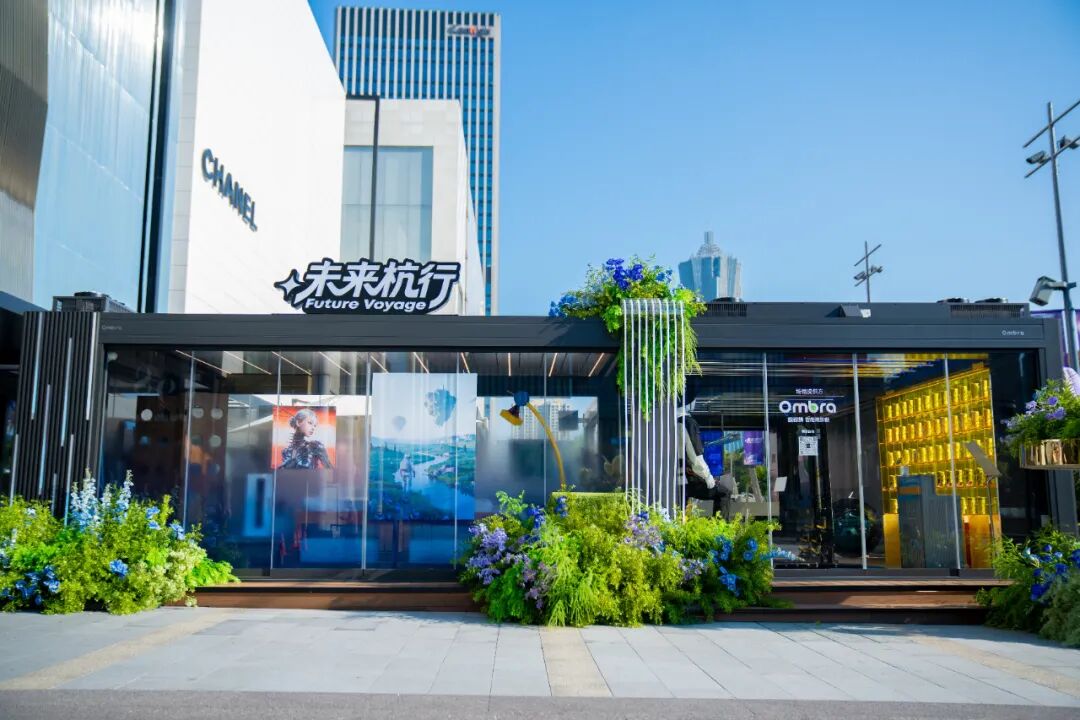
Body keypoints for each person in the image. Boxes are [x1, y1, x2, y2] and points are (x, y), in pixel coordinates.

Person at [677, 398, 733, 520]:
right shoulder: (687, 422)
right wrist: (709, 479)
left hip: (674, 479)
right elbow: (696, 457)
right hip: (686, 480)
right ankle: (720, 529)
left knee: (678, 511)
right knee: (723, 493)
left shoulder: (667, 420)